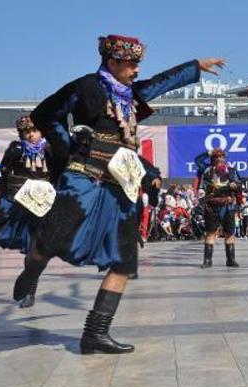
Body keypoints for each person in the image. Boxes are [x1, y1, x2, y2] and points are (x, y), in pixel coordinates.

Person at [18, 34, 224, 354]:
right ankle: (32, 270)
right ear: (111, 62)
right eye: (131, 64)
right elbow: (44, 114)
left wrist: (194, 67)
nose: (136, 70)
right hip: (84, 173)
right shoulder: (85, 87)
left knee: (125, 258)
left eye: (138, 64)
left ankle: (95, 333)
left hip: (121, 179)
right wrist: (68, 143)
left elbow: (162, 82)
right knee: (56, 236)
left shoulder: (131, 95)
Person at [0, 116, 54, 308]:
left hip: (44, 204)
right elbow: (5, 173)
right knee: (31, 250)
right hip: (21, 203)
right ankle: (29, 294)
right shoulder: (16, 150)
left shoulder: (50, 149)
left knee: (37, 250)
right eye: (26, 132)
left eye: (34, 131)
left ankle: (30, 291)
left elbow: (59, 174)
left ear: (41, 131)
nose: (30, 135)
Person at [199, 148, 241, 268]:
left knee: (229, 233)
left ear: (224, 158)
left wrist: (235, 186)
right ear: (213, 158)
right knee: (210, 232)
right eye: (216, 157)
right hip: (212, 205)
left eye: (221, 157)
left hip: (228, 206)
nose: (219, 159)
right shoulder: (207, 171)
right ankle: (207, 260)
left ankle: (231, 260)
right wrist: (207, 152)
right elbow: (198, 162)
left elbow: (239, 186)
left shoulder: (232, 171)